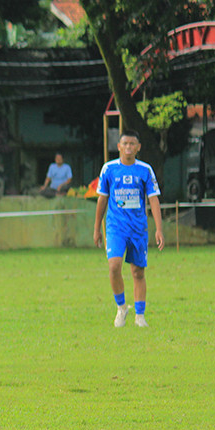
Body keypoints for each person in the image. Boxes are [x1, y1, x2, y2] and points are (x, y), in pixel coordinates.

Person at [94, 130, 165, 328]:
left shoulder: (145, 170)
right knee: (114, 266)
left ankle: (140, 316)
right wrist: (97, 228)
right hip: (115, 227)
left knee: (138, 272)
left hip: (138, 228)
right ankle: (121, 307)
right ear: (118, 146)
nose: (128, 147)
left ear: (138, 147)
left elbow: (153, 199)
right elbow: (102, 199)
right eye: (125, 143)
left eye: (132, 144)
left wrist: (159, 229)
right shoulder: (109, 169)